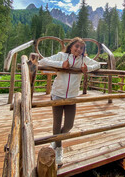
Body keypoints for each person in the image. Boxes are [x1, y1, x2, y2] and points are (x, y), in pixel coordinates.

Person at [38, 37, 100, 165]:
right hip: (57, 94)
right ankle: (59, 149)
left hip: (72, 96)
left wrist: (87, 68)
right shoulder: (62, 56)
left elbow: (97, 65)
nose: (78, 49)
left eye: (81, 48)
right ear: (71, 46)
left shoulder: (83, 60)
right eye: (76, 46)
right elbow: (43, 61)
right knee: (57, 122)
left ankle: (55, 140)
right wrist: (61, 65)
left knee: (69, 125)